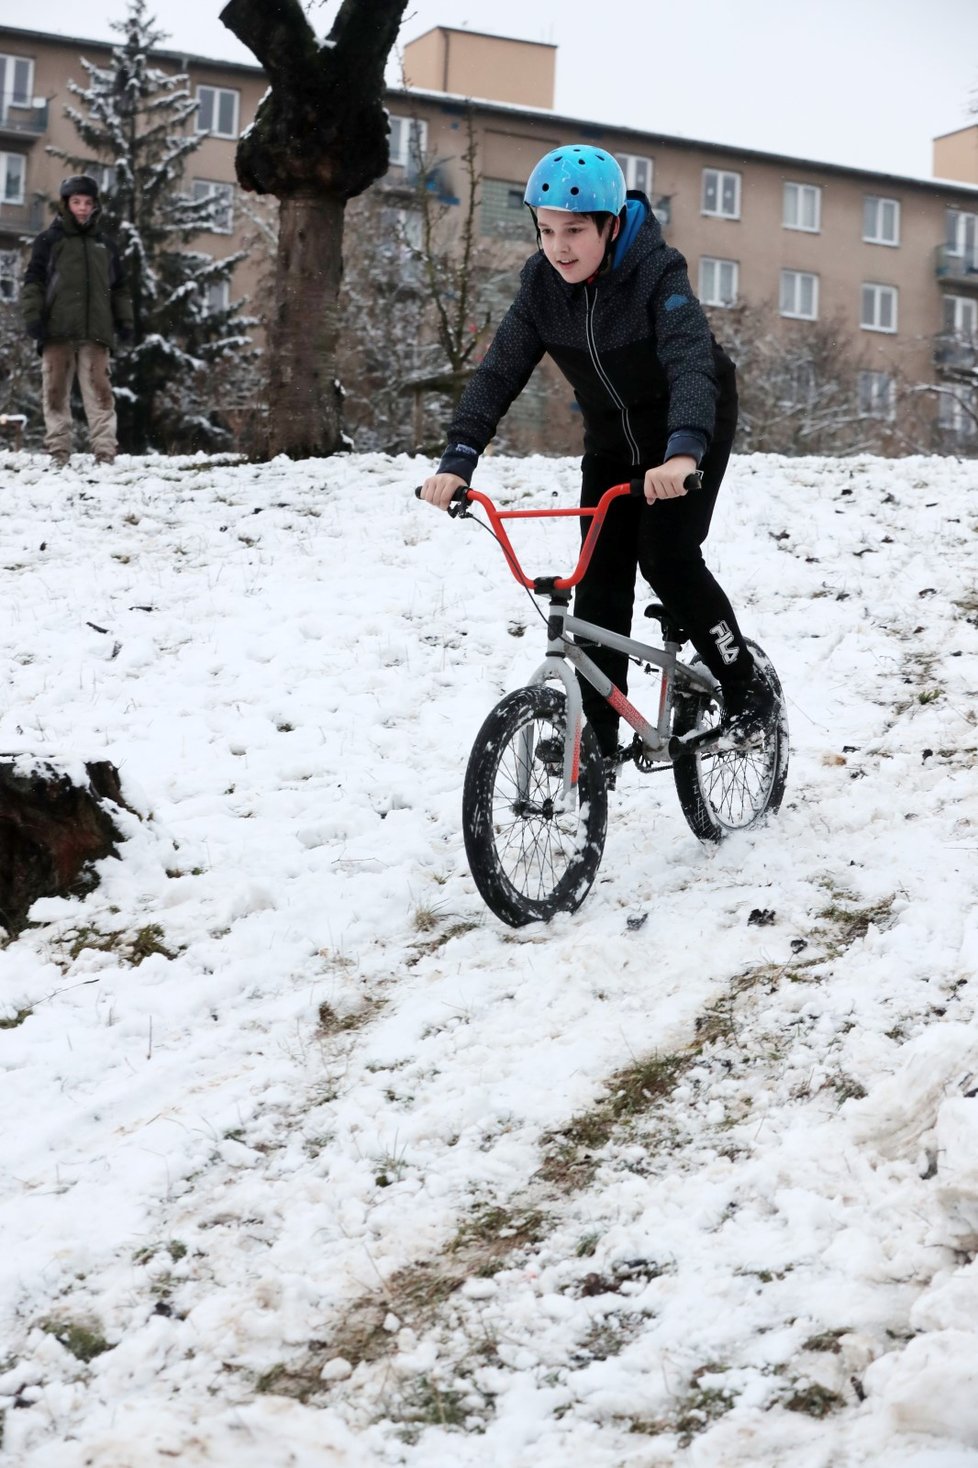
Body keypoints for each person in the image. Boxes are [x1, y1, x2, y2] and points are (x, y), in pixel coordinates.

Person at [420, 143, 776, 756]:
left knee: (665, 555)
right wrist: (459, 457)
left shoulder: (655, 273)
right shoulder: (540, 286)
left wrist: (684, 452)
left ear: (611, 226)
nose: (559, 247)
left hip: (688, 430)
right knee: (601, 577)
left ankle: (748, 694)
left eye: (576, 231)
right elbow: (498, 374)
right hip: (613, 442)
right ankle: (601, 737)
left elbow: (691, 363)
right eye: (547, 230)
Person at [22, 174, 133, 468]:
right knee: (55, 392)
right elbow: (34, 281)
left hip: (95, 332)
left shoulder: (105, 246)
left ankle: (105, 452)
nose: (82, 208)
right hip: (56, 329)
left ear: (95, 205)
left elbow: (119, 287)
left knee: (100, 393)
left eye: (87, 202)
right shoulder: (49, 241)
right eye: (76, 202)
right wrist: (32, 316)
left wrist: (125, 320)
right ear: (66, 204)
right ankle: (58, 451)